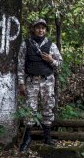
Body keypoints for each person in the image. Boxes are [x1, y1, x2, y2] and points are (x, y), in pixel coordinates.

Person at [17, 19, 63, 152]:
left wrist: (51, 60)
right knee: (30, 110)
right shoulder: (26, 44)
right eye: (38, 28)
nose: (40, 30)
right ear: (33, 29)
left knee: (48, 107)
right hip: (31, 81)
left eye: (43, 28)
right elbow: (20, 64)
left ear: (46, 30)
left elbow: (60, 65)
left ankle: (47, 138)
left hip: (47, 81)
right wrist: (21, 83)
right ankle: (27, 139)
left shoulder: (51, 45)